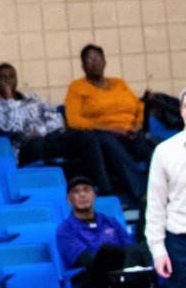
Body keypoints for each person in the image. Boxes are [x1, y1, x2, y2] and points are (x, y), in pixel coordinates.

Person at [0, 62, 108, 187]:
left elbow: (57, 119)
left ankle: (103, 188)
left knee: (86, 137)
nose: (8, 81)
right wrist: (9, 99)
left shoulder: (34, 99)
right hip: (26, 148)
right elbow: (14, 126)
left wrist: (40, 131)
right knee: (38, 145)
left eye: (12, 76)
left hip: (50, 138)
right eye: (3, 77)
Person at [65, 44, 152, 207]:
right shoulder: (77, 88)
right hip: (101, 133)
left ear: (105, 62)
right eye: (89, 60)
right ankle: (142, 193)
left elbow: (139, 107)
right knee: (113, 147)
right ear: (83, 66)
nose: (94, 63)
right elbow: (74, 120)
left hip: (130, 131)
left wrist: (137, 125)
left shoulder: (119, 83)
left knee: (156, 149)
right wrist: (109, 129)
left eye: (97, 59)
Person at [55, 176, 147, 288]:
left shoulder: (110, 222)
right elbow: (86, 260)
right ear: (69, 199)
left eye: (86, 190)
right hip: (90, 283)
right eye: (76, 191)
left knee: (142, 248)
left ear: (94, 195)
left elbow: (130, 248)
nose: (82, 195)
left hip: (121, 272)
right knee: (107, 251)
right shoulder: (65, 230)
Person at [145, 87, 186, 288]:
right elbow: (156, 205)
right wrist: (158, 250)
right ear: (182, 111)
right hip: (179, 243)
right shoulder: (164, 151)